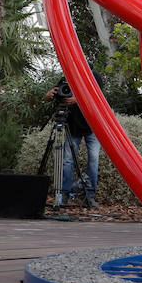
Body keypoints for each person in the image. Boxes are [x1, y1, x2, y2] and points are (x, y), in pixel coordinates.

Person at [45, 71, 105, 207]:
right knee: (67, 160)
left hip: (93, 125)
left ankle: (89, 195)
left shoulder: (95, 76)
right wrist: (49, 95)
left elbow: (98, 97)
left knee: (94, 160)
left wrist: (78, 99)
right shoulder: (66, 77)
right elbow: (55, 95)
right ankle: (64, 194)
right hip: (72, 126)